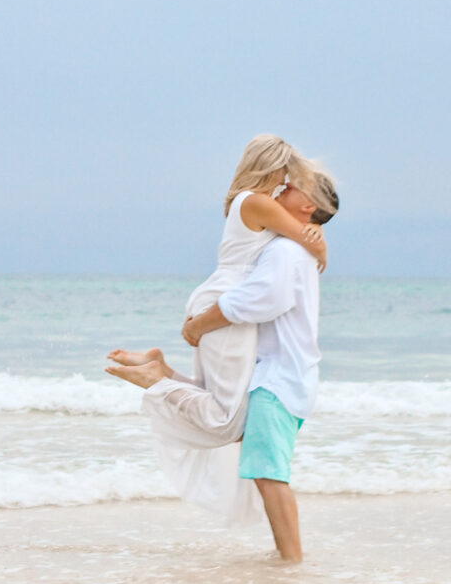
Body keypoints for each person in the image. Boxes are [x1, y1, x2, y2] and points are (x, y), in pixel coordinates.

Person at [105, 135, 334, 524]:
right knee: (225, 419)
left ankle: (160, 369)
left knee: (225, 406)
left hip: (220, 298)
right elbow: (302, 236)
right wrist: (321, 246)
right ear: (273, 166)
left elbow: (298, 231)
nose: (287, 181)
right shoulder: (257, 201)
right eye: (287, 173)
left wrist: (316, 230)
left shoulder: (246, 201)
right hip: (228, 303)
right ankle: (155, 377)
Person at [180, 174, 339, 561]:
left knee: (270, 474)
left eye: (293, 187)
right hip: (278, 375)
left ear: (306, 207)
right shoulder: (289, 245)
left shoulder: (285, 251)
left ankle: (292, 562)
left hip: (280, 378)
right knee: (237, 436)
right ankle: (288, 557)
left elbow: (262, 300)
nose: (282, 187)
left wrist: (201, 324)